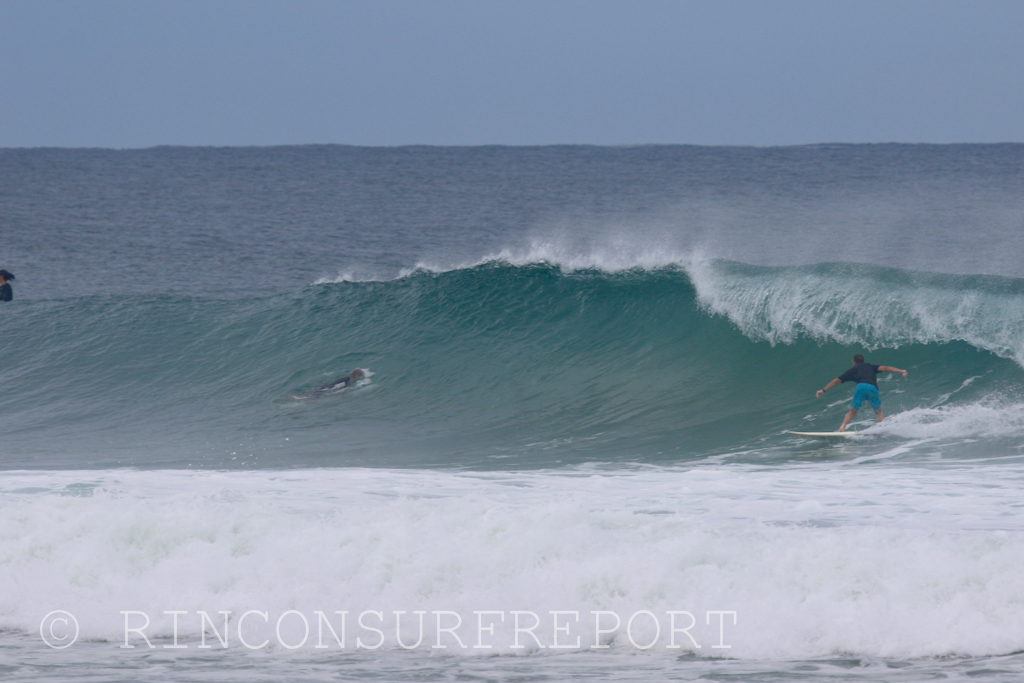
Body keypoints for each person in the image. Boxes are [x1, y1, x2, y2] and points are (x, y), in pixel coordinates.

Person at [816, 354, 908, 432]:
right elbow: (886, 368)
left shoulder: (853, 370)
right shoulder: (871, 366)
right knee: (878, 411)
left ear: (854, 362)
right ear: (863, 361)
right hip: (872, 387)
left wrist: (823, 390)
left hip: (860, 387)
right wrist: (901, 371)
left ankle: (842, 427)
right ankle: (882, 429)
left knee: (852, 411)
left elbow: (836, 381)